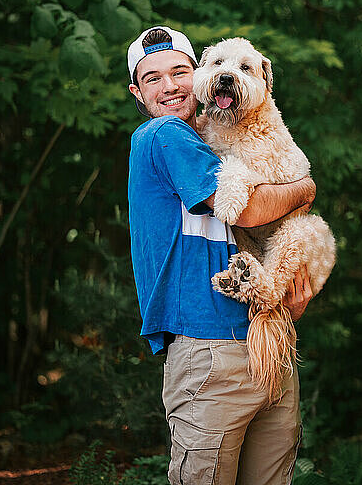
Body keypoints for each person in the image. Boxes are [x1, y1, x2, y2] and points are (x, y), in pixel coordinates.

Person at [127, 26, 316, 485]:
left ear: (199, 75)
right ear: (137, 91)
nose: (170, 86)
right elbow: (250, 211)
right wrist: (306, 187)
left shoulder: (218, 139)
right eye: (153, 78)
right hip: (210, 349)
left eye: (179, 72)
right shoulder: (163, 134)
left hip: (267, 339)